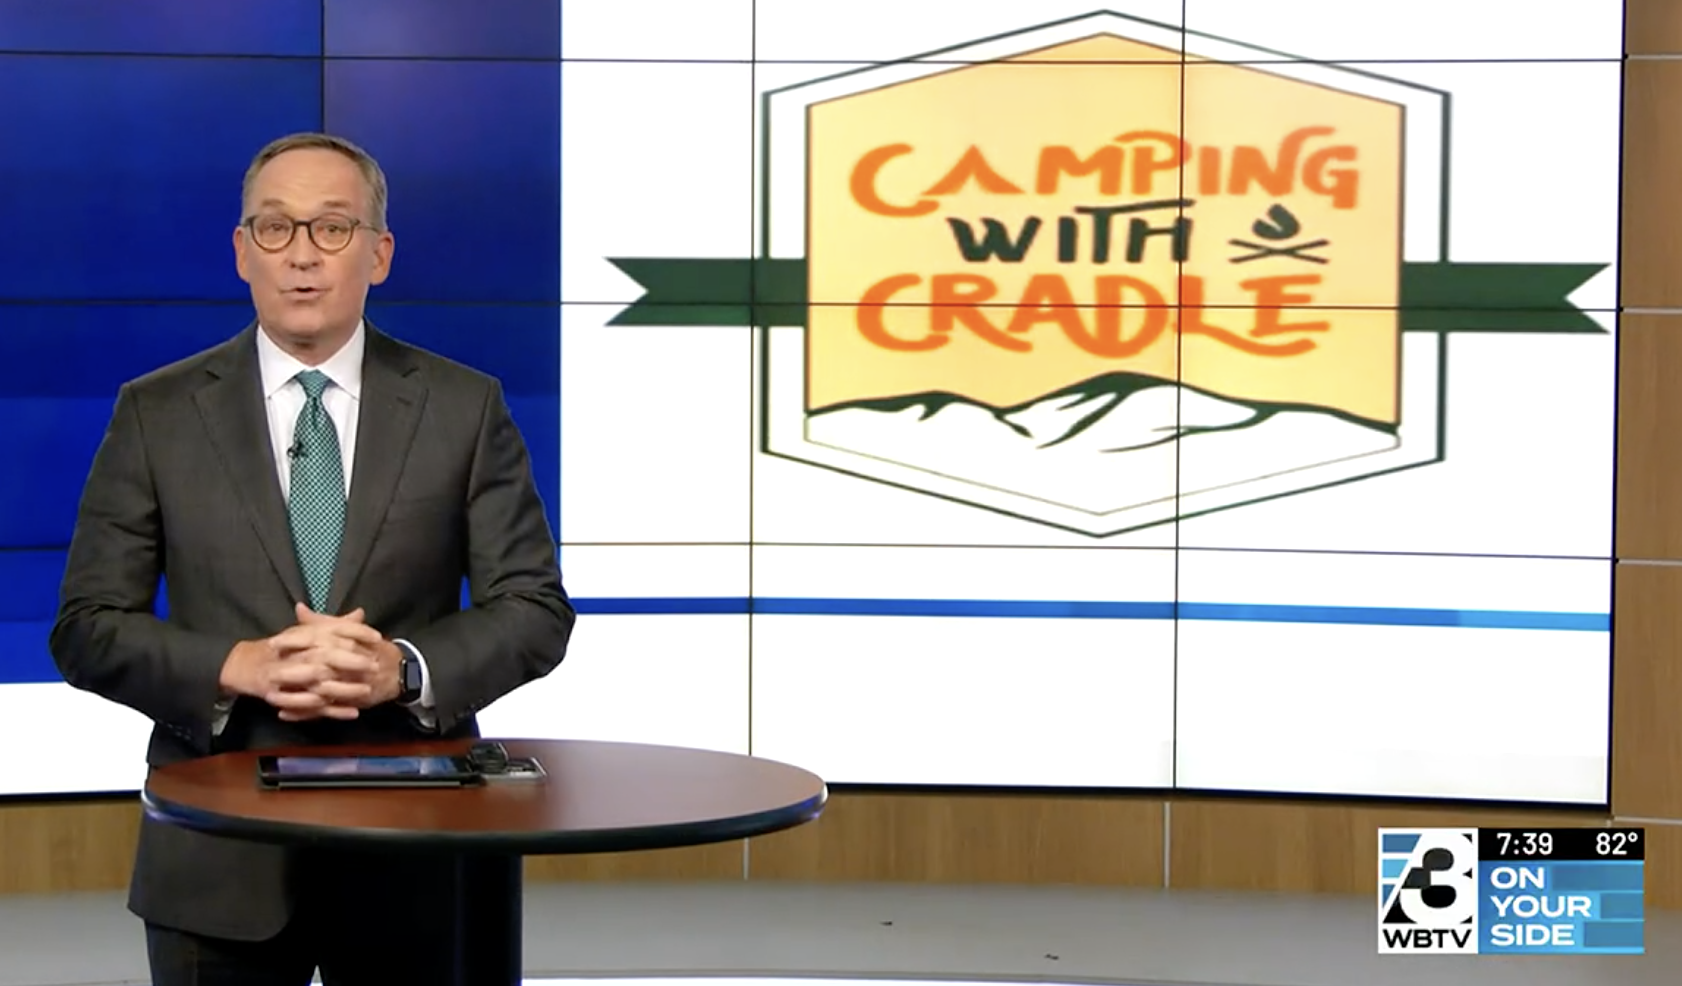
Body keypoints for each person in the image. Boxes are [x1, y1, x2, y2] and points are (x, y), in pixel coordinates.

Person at [49, 132, 576, 985]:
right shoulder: (156, 412)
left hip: (417, 847)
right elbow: (85, 628)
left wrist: (403, 671)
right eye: (274, 228)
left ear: (379, 254)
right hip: (217, 854)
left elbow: (535, 611)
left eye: (332, 229)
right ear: (240, 252)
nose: (301, 255)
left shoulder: (463, 406)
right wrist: (237, 665)